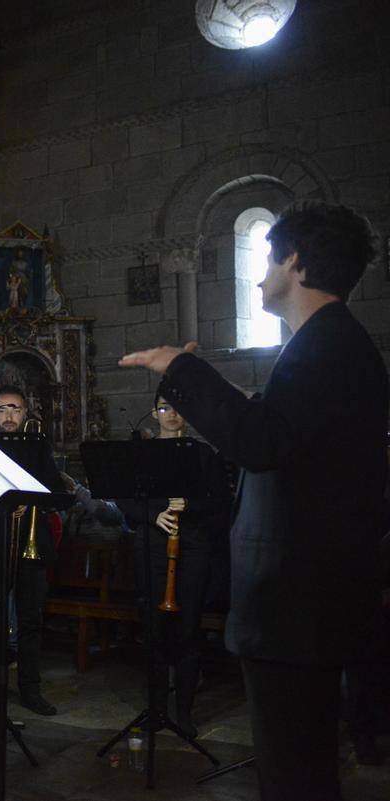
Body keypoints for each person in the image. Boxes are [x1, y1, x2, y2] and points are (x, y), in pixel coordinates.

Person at [120, 200, 387, 801]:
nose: (262, 274)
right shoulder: (330, 344)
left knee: (295, 776)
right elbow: (288, 435)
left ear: (293, 260)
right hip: (310, 603)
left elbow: (262, 442)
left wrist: (180, 370)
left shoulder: (325, 346)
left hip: (297, 605)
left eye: (269, 258)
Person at [115, 396, 230, 740]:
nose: (173, 413)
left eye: (180, 406)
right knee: (153, 630)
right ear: (154, 412)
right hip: (151, 545)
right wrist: (154, 515)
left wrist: (190, 506)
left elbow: (222, 503)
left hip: (192, 546)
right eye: (165, 407)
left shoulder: (203, 454)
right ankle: (157, 709)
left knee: (186, 631)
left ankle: (183, 713)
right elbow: (124, 498)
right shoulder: (143, 453)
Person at [0, 384, 65, 716]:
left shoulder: (38, 446)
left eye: (16, 409)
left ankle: (30, 689)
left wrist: (27, 498)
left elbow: (53, 491)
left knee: (31, 619)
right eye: (2, 409)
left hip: (30, 543)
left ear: (25, 414)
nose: (9, 416)